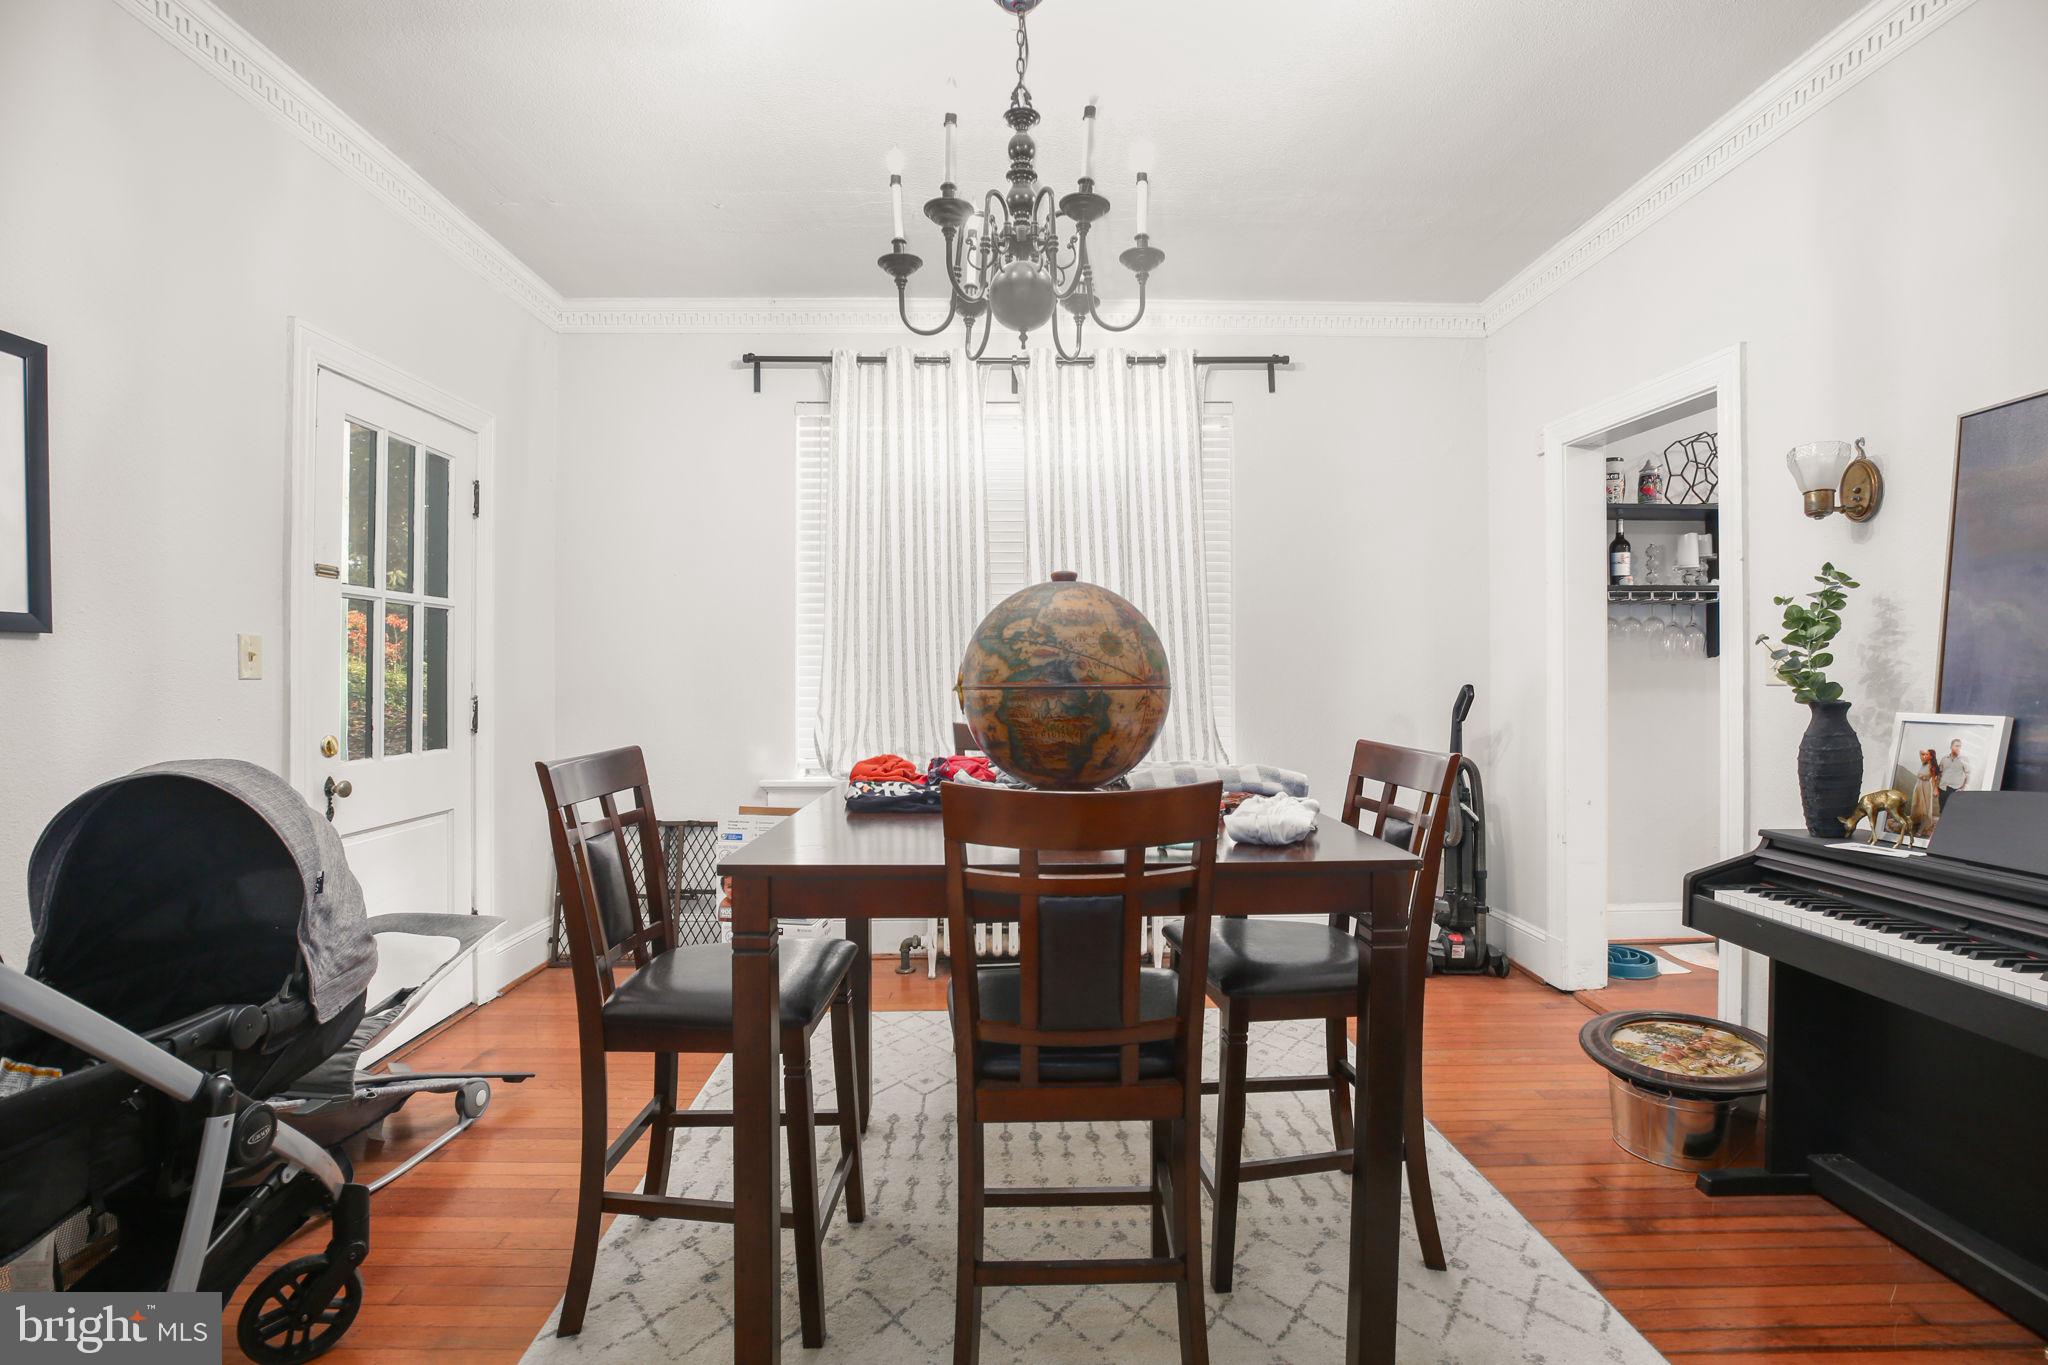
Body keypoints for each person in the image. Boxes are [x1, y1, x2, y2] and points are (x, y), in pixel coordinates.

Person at [1909, 748, 1943, 837]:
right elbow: (1920, 752)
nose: (1925, 756)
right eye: (1925, 754)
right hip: (1918, 786)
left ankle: (1921, 829)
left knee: (1925, 809)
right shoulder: (1923, 763)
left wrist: (1935, 790)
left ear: (1931, 756)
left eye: (1927, 754)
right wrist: (1925, 752)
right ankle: (1914, 824)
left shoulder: (1932, 767)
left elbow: (1934, 780)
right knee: (1915, 805)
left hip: (1926, 787)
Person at [1939, 738, 1971, 810]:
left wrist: (1963, 788)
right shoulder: (1944, 759)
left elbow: (1968, 775)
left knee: (1953, 810)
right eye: (1956, 746)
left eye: (1960, 746)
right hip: (1943, 789)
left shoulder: (1964, 759)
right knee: (1942, 810)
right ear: (1951, 747)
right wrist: (1937, 787)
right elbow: (1939, 774)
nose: (1958, 748)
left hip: (1956, 790)